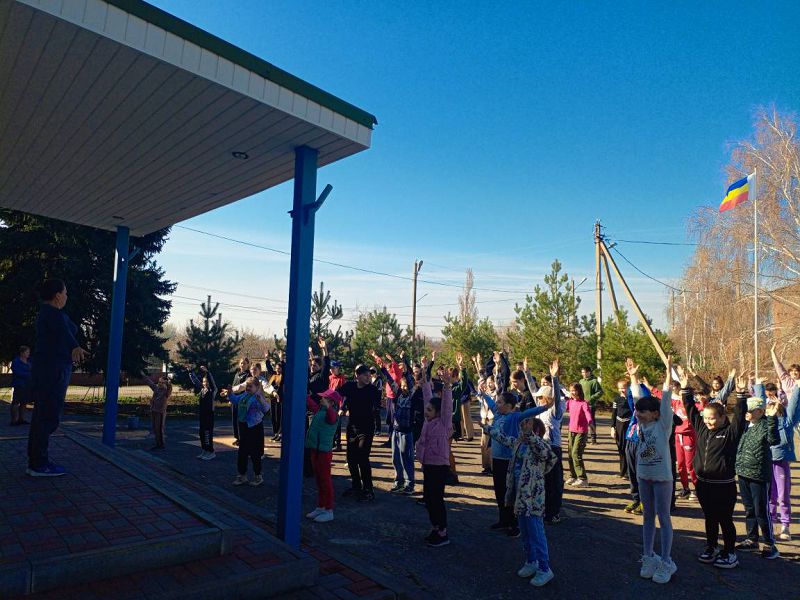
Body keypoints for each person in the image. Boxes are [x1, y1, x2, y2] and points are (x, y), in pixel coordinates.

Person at [677, 367, 746, 569]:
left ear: (722, 417)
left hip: (723, 485)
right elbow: (691, 410)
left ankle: (730, 553)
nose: (708, 421)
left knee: (725, 519)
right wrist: (685, 389)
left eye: (712, 418)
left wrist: (741, 395)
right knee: (709, 518)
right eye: (706, 417)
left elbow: (740, 418)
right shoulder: (702, 428)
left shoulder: (730, 433)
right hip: (703, 484)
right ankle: (712, 547)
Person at [26, 279, 88, 476]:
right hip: (53, 370)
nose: (67, 296)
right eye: (65, 292)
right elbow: (63, 331)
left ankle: (36, 461)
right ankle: (39, 464)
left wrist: (74, 345)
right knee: (48, 416)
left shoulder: (52, 314)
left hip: (50, 369)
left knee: (42, 416)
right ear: (57, 295)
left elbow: (64, 330)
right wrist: (74, 346)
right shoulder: (52, 313)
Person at [486, 416, 557, 586]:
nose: (522, 429)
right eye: (522, 426)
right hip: (520, 498)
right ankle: (531, 561)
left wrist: (530, 435)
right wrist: (488, 429)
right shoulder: (519, 444)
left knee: (536, 533)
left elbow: (550, 457)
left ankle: (544, 568)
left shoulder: (541, 445)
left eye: (526, 426)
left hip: (533, 500)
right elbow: (504, 439)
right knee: (525, 533)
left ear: (536, 431)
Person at [629, 357, 677, 584]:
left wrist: (668, 374)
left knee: (663, 518)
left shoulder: (663, 424)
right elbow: (637, 398)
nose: (638, 414)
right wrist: (633, 378)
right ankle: (648, 556)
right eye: (638, 412)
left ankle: (667, 561)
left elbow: (665, 399)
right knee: (648, 516)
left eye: (644, 412)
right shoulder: (641, 425)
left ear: (655, 413)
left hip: (662, 478)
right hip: (643, 476)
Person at [479, 384, 549, 537]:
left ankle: (514, 524)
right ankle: (503, 520)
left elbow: (529, 412)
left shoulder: (515, 416)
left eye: (500, 402)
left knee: (509, 492)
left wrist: (545, 407)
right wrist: (484, 394)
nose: (496, 404)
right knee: (499, 490)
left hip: (508, 460)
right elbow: (491, 403)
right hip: (496, 459)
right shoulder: (498, 414)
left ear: (509, 406)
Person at [735, 383, 781, 559]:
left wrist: (772, 419)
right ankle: (751, 539)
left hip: (759, 475)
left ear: (760, 411)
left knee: (761, 510)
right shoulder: (745, 426)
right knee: (749, 509)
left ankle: (769, 543)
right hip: (743, 473)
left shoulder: (765, 424)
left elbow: (774, 440)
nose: (747, 412)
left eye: (750, 410)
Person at [755, 378, 798, 541]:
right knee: (769, 496)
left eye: (772, 410)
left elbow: (793, 406)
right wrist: (758, 386)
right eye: (767, 411)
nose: (768, 412)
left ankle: (785, 525)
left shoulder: (787, 423)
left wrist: (797, 388)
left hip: (781, 464)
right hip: (766, 463)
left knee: (783, 495)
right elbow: (760, 403)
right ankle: (771, 523)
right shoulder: (764, 423)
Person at [416, 364, 454, 547]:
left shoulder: (444, 422)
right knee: (429, 499)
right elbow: (427, 399)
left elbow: (446, 405)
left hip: (439, 466)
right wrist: (425, 383)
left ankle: (442, 532)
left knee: (436, 499)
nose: (426, 411)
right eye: (426, 409)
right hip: (428, 464)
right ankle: (435, 527)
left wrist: (447, 386)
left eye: (430, 410)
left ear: (438, 413)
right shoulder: (427, 421)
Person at [526, 360, 565, 524]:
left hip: (553, 449)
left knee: (555, 482)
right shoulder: (540, 408)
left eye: (541, 397)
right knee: (543, 481)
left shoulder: (555, 411)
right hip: (540, 448)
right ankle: (544, 509)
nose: (539, 398)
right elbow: (532, 389)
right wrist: (527, 373)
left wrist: (554, 378)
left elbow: (556, 399)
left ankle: (554, 512)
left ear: (548, 398)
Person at [377, 353, 421, 495]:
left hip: (406, 432)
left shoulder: (412, 395)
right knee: (395, 458)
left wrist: (404, 360)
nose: (404, 387)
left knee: (407, 458)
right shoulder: (397, 395)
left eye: (405, 385)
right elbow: (390, 380)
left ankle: (409, 484)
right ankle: (399, 481)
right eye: (402, 385)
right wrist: (383, 369)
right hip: (396, 430)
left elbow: (409, 379)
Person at [339, 364, 382, 502]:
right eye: (365, 375)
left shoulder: (372, 390)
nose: (368, 377)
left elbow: (378, 403)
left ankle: (368, 490)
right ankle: (356, 486)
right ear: (357, 375)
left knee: (363, 458)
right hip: (352, 427)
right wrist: (339, 406)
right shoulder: (350, 386)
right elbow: (337, 394)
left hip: (366, 428)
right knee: (351, 459)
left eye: (369, 375)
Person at [221, 377, 269, 486]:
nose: (248, 388)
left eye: (250, 386)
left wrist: (261, 401)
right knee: (242, 452)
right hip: (243, 427)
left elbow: (266, 409)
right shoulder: (244, 396)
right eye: (247, 386)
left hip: (254, 427)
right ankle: (242, 475)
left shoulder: (257, 397)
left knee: (255, 453)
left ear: (257, 387)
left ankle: (258, 476)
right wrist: (230, 393)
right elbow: (235, 400)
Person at [305, 389, 341, 523]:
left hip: (324, 452)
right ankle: (321, 506)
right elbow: (312, 406)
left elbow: (332, 418)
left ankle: (329, 510)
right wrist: (306, 397)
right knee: (319, 480)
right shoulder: (321, 410)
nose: (321, 399)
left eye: (324, 398)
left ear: (330, 402)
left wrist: (328, 407)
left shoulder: (333, 414)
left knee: (325, 481)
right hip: (315, 449)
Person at [565, 383, 593, 486]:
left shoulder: (584, 403)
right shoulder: (570, 402)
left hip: (581, 432)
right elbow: (562, 408)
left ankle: (583, 478)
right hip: (571, 431)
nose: (572, 392)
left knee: (576, 454)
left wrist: (590, 422)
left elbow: (587, 413)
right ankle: (573, 476)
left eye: (574, 390)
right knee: (570, 454)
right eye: (571, 390)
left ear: (579, 391)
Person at [188, 365, 217, 460]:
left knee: (207, 434)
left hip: (209, 416)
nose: (205, 383)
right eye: (204, 382)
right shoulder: (202, 390)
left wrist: (207, 372)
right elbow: (196, 381)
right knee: (201, 433)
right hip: (202, 415)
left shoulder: (212, 391)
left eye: (207, 382)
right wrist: (190, 372)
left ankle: (211, 451)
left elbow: (212, 383)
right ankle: (204, 450)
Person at [143, 373, 172, 450]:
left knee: (159, 428)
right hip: (154, 410)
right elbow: (150, 383)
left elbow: (169, 388)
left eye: (162, 382)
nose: (160, 384)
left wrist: (169, 383)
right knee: (155, 428)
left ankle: (161, 445)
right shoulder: (157, 389)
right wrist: (143, 375)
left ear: (165, 384)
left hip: (160, 412)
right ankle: (157, 443)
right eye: (159, 382)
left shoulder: (166, 392)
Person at [611, 378, 632, 478]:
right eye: (620, 388)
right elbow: (614, 414)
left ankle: (629, 472)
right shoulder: (616, 400)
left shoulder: (632, 399)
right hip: (619, 425)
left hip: (629, 425)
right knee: (620, 448)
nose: (621, 390)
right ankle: (622, 472)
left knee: (628, 448)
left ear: (628, 388)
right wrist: (612, 427)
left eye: (623, 388)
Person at [579, 366, 603, 444]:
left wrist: (591, 398)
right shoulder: (581, 381)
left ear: (589, 372)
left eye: (585, 372)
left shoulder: (594, 381)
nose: (584, 374)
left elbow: (600, 392)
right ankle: (584, 438)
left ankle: (593, 439)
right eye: (582, 372)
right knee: (583, 421)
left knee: (591, 421)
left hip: (590, 405)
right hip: (581, 405)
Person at [230, 358, 251, 446]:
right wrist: (230, 398)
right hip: (235, 400)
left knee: (241, 420)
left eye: (245, 363)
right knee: (234, 419)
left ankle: (242, 438)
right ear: (239, 364)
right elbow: (233, 386)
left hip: (242, 400)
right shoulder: (237, 374)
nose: (243, 365)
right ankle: (237, 438)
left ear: (248, 364)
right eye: (241, 363)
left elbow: (244, 388)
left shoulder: (248, 375)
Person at [328, 359, 347, 450]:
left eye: (333, 368)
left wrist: (341, 407)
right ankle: (331, 443)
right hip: (329, 403)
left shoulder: (341, 378)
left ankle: (338, 444)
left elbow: (343, 395)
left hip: (337, 404)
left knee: (337, 424)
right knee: (330, 423)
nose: (331, 370)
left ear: (337, 368)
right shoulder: (330, 377)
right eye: (330, 368)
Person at [10, 345, 32, 426]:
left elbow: (32, 370)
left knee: (24, 402)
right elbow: (16, 372)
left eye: (28, 352)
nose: (28, 354)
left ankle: (21, 419)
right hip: (19, 384)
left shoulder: (29, 362)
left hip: (27, 385)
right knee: (16, 402)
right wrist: (29, 375)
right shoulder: (16, 361)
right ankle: (14, 420)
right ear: (22, 353)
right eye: (27, 352)